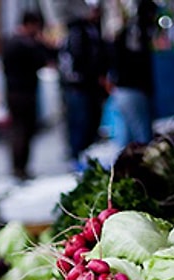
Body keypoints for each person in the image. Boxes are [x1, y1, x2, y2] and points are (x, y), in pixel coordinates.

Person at [2, 10, 53, 181]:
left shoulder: (11, 42)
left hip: (14, 91)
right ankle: (20, 168)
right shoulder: (25, 44)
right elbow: (41, 60)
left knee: (20, 130)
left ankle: (19, 167)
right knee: (23, 131)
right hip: (24, 92)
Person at [58, 0, 110, 167]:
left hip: (84, 87)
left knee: (86, 123)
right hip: (79, 87)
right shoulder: (79, 31)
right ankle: (79, 159)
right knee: (81, 123)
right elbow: (79, 59)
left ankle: (83, 157)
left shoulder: (88, 30)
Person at [109, 0, 157, 148]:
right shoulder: (138, 32)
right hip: (133, 90)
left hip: (121, 91)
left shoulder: (127, 32)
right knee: (143, 141)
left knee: (126, 141)